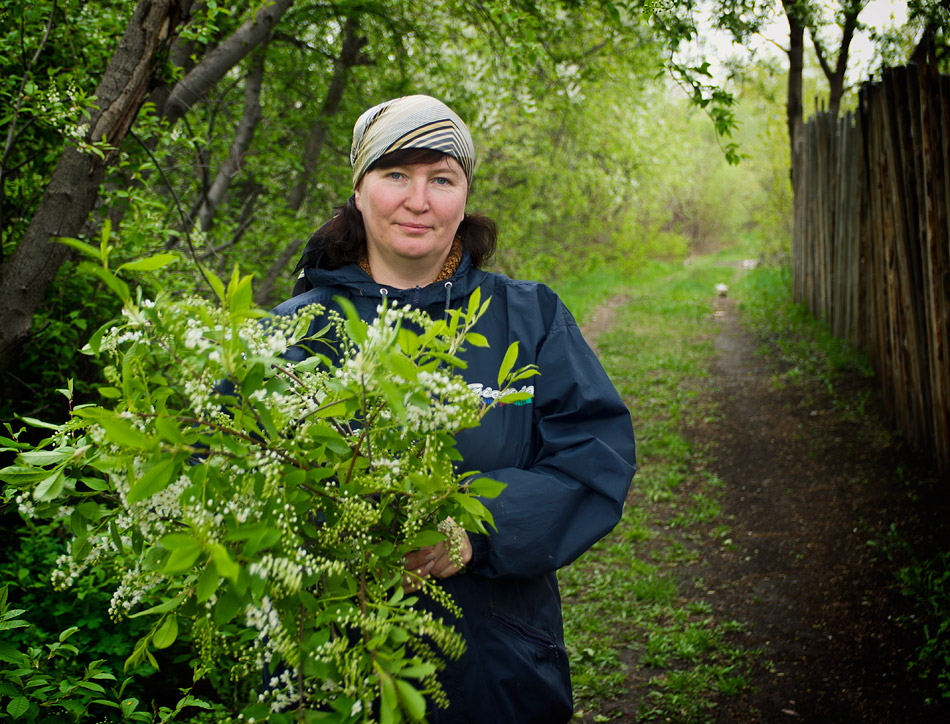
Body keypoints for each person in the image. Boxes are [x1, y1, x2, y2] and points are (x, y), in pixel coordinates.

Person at [271, 94, 636, 724]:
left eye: (441, 179)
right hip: (332, 664)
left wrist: (477, 529)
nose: (419, 200)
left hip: (495, 666)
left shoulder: (529, 317)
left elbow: (593, 456)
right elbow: (230, 473)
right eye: (395, 174)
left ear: (464, 199)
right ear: (358, 191)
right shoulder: (292, 333)